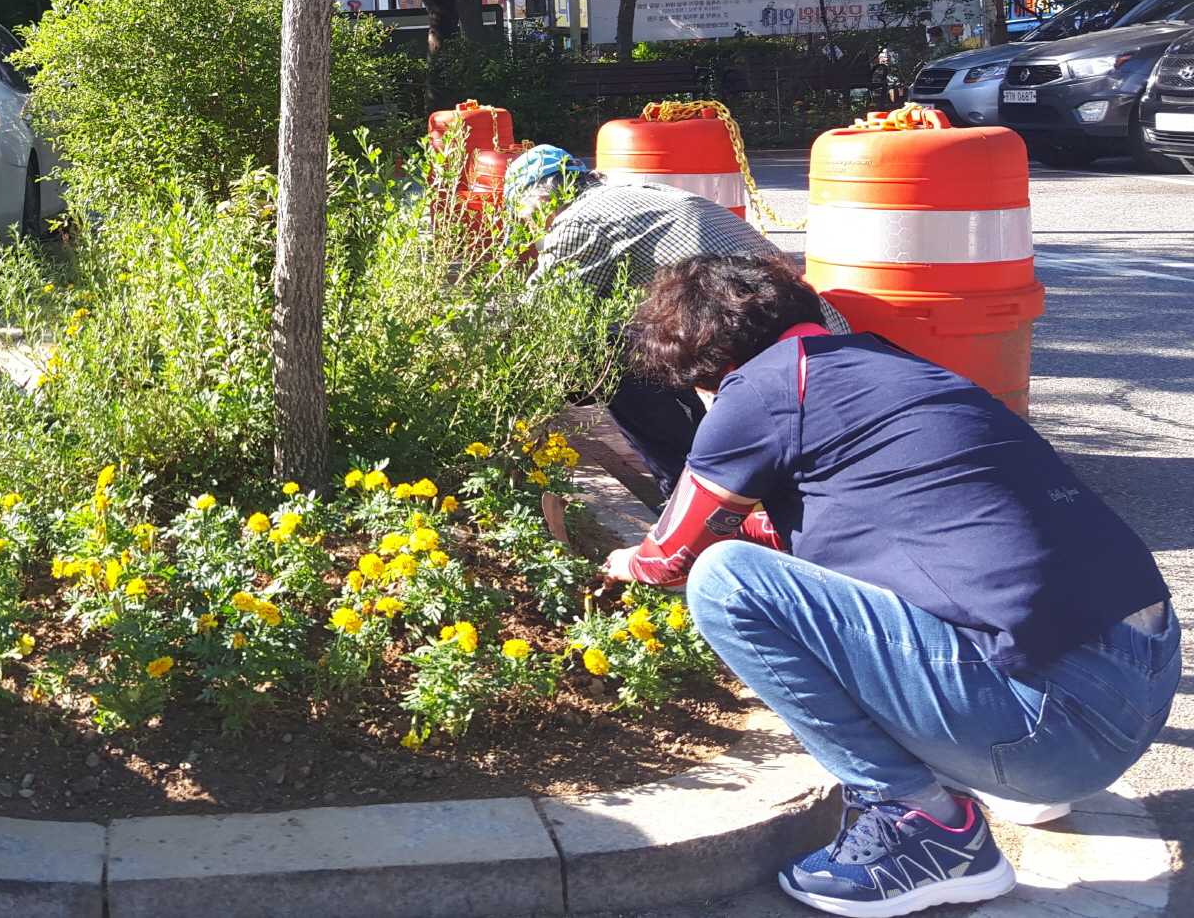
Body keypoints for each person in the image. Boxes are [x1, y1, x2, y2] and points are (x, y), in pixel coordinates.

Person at [604, 252, 1178, 917]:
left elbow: (671, 556)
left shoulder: (759, 388)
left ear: (719, 358)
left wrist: (625, 562)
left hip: (1054, 726)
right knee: (812, 575)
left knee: (727, 584)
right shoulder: (889, 366)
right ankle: (1005, 774)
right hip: (1137, 683)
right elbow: (864, 525)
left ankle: (923, 829)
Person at [505, 144, 850, 500]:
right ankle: (718, 458)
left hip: (751, 348)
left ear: (541, 201)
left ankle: (684, 485)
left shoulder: (577, 222)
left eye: (524, 219)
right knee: (646, 331)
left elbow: (545, 313)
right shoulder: (639, 193)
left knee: (607, 357)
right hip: (817, 332)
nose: (529, 230)